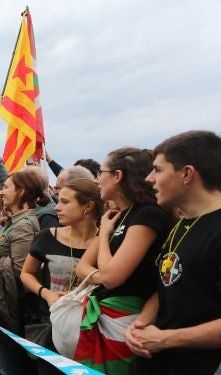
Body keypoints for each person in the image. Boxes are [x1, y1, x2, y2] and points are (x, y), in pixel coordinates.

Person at [123, 131, 221, 375]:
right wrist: (142, 322)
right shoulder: (182, 225)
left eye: (158, 169)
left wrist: (166, 339)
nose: (149, 179)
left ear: (187, 174)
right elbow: (169, 284)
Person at [75, 146, 172, 374]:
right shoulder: (116, 216)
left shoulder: (147, 214)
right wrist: (104, 271)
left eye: (101, 173)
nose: (97, 181)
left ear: (117, 176)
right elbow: (82, 267)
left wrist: (105, 236)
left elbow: (112, 278)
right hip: (108, 315)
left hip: (128, 320)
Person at [20, 179, 101, 375]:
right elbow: (26, 273)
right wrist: (46, 293)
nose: (56, 207)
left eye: (65, 202)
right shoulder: (48, 236)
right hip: (52, 329)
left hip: (92, 333)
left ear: (88, 206)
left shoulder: (106, 242)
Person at [0, 170, 46, 374]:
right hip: (7, 304)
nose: (2, 191)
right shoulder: (14, 221)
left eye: (6, 187)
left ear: (21, 192)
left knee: (10, 368)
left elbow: (20, 270)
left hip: (12, 308)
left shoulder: (24, 225)